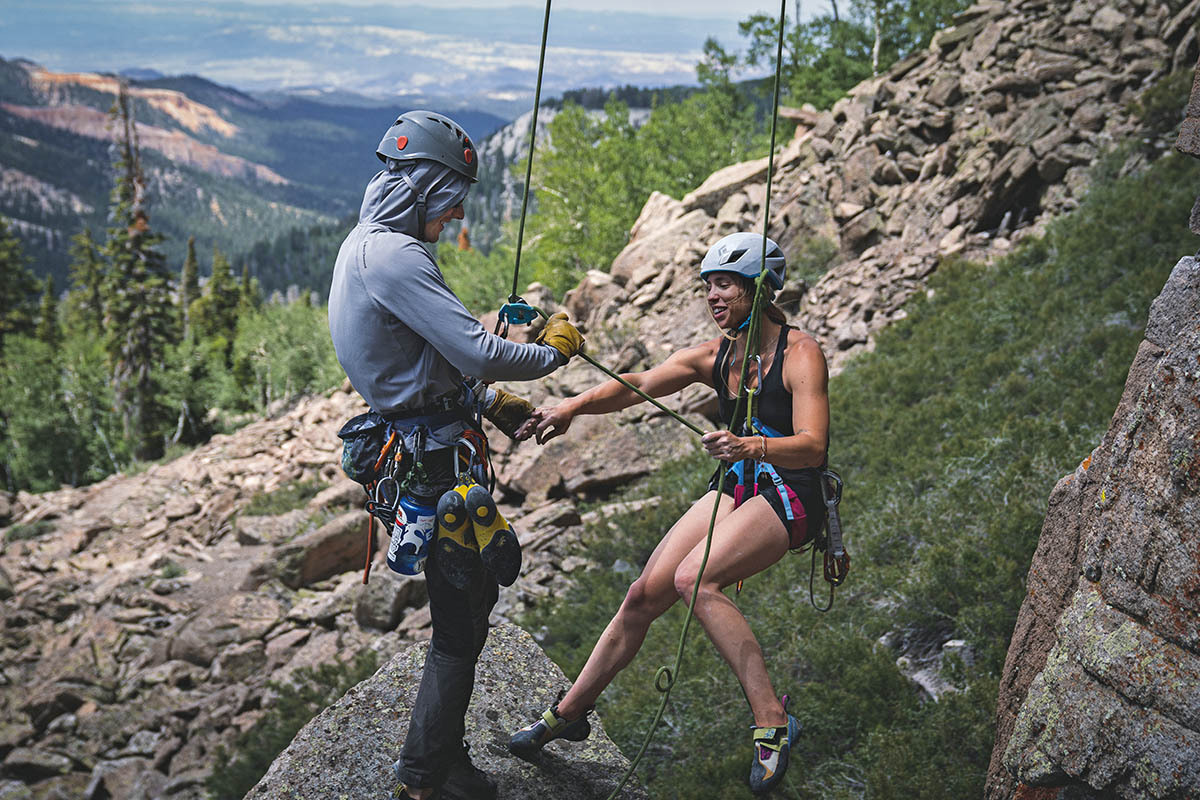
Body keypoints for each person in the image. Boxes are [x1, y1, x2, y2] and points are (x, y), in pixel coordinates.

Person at [507, 232, 830, 795]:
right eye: (708, 285)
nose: (712, 295)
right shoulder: (716, 355)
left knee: (695, 579)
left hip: (792, 491)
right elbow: (638, 385)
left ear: (759, 290)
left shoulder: (800, 354)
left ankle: (773, 722)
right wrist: (573, 408)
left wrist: (751, 446)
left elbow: (813, 445)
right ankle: (569, 713)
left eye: (725, 284)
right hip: (742, 480)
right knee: (643, 594)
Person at [327, 109, 584, 800]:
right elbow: (475, 349)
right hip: (436, 464)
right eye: (453, 202)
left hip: (418, 441)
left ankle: (438, 759)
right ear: (430, 188)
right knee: (462, 618)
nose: (454, 216)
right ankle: (429, 772)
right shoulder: (398, 255)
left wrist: (483, 403)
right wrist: (550, 353)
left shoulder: (363, 245)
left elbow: (419, 361)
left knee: (463, 609)